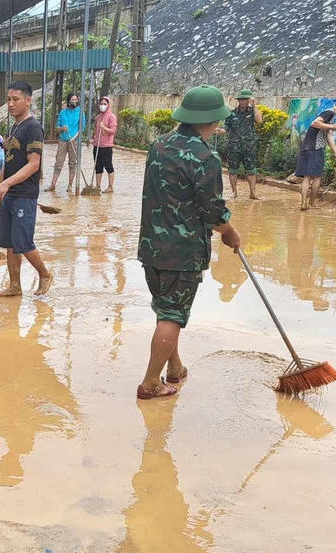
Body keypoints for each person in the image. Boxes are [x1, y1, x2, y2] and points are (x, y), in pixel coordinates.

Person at [136, 85, 242, 400]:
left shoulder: (158, 145)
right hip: (182, 252)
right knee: (172, 315)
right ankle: (151, 382)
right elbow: (212, 210)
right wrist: (229, 232)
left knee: (167, 308)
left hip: (152, 246)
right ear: (210, 120)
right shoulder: (205, 156)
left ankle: (175, 368)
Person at [0, 81, 53, 297]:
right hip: (9, 193)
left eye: (15, 99)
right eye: (8, 99)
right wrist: (0, 186)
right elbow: (8, 162)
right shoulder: (14, 127)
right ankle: (15, 286)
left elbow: (33, 164)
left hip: (24, 194)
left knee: (23, 242)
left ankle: (44, 274)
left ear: (28, 101)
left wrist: (7, 184)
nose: (10, 104)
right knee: (9, 243)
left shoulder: (33, 128)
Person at [297, 95, 336, 210]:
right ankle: (311, 203)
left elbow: (328, 136)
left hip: (307, 147)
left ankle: (303, 203)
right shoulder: (330, 113)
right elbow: (315, 123)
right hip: (316, 148)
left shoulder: (329, 115)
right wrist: (333, 126)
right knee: (316, 177)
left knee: (306, 177)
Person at [219, 89, 263, 200]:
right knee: (233, 170)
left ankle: (253, 193)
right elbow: (226, 127)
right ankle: (234, 192)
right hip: (234, 146)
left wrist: (255, 106)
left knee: (251, 170)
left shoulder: (252, 111)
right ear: (238, 101)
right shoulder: (231, 113)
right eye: (241, 100)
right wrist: (221, 131)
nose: (243, 101)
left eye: (245, 99)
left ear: (249, 100)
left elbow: (259, 121)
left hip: (249, 146)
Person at [47, 92, 85, 191]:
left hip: (74, 141)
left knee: (73, 163)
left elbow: (82, 127)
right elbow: (57, 128)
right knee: (58, 162)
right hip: (63, 140)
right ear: (68, 101)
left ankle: (70, 185)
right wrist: (62, 129)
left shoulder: (80, 112)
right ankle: (53, 184)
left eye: (76, 100)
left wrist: (74, 137)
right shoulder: (63, 113)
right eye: (72, 100)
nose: (74, 101)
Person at [91, 95, 118, 192]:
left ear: (108, 105)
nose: (103, 105)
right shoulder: (98, 117)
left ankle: (110, 187)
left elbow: (113, 131)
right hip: (97, 145)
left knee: (108, 165)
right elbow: (95, 129)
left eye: (105, 104)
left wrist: (104, 128)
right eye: (101, 104)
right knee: (98, 165)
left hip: (106, 146)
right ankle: (98, 186)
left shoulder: (112, 117)